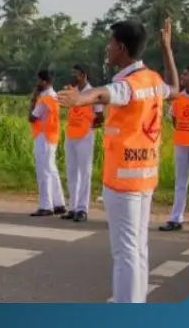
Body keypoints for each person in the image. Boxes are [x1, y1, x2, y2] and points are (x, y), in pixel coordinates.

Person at [57, 18, 180, 303]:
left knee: (125, 252)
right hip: (145, 176)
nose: (107, 47)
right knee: (138, 249)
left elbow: (102, 93)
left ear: (121, 48)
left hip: (123, 181)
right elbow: (174, 88)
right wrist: (167, 50)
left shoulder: (128, 85)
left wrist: (80, 99)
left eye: (110, 43)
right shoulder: (152, 80)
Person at [62, 65, 105, 222]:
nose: (73, 76)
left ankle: (82, 209)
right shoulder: (72, 91)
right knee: (72, 172)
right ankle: (73, 207)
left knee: (84, 172)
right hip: (71, 134)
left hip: (85, 136)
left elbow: (100, 115)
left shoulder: (92, 93)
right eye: (72, 73)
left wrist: (92, 124)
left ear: (84, 75)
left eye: (76, 74)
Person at [160, 65, 189, 232]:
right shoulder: (178, 98)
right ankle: (175, 218)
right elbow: (174, 119)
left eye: (186, 74)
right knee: (181, 182)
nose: (182, 76)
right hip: (181, 143)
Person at [28, 70, 66, 216]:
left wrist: (33, 99)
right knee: (51, 170)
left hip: (44, 136)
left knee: (43, 171)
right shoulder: (53, 95)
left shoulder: (45, 98)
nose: (36, 83)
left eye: (38, 80)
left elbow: (32, 117)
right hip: (50, 136)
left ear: (44, 82)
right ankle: (59, 203)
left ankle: (46, 205)